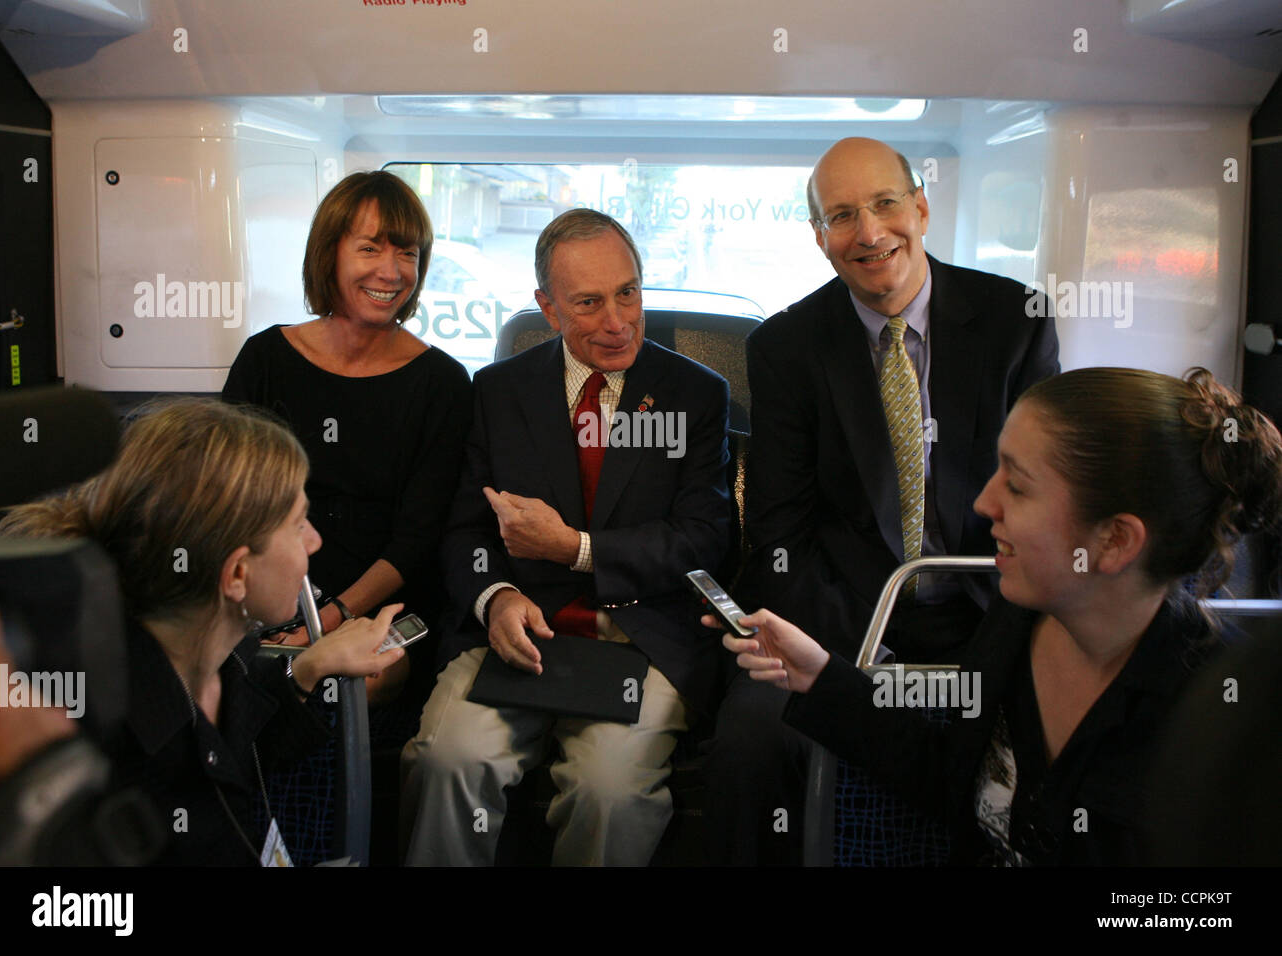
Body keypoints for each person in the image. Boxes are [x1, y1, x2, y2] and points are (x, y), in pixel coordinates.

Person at [718, 367, 1282, 865]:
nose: (985, 503)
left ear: (1113, 541)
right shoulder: (1020, 621)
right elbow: (950, 776)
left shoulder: (1222, 716)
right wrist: (819, 672)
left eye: (1016, 484)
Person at [704, 136, 1060, 863]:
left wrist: (992, 649)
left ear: (922, 208)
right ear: (819, 238)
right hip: (845, 621)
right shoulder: (786, 347)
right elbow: (779, 534)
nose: (868, 233)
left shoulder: (1014, 319)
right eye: (841, 216)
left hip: (991, 615)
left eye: (886, 204)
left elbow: (1045, 505)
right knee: (750, 736)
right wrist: (861, 659)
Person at [399, 208, 731, 866]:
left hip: (642, 635)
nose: (618, 321)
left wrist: (574, 549)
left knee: (607, 792)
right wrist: (494, 598)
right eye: (588, 303)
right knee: (447, 760)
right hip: (517, 630)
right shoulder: (496, 392)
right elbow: (464, 529)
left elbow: (704, 539)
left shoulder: (694, 394)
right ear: (547, 309)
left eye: (628, 292)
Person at [0, 398, 407, 865]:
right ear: (236, 576)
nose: (314, 540)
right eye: (298, 526)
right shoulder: (120, 765)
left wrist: (307, 668)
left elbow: (238, 755)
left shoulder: (223, 656)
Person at [221, 169, 472, 708]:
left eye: (406, 253)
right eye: (370, 249)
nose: (391, 271)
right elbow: (227, 504)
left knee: (341, 684)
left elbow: (416, 542)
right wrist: (261, 612)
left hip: (381, 606)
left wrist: (326, 625)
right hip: (264, 592)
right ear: (329, 254)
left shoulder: (444, 385)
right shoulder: (264, 361)